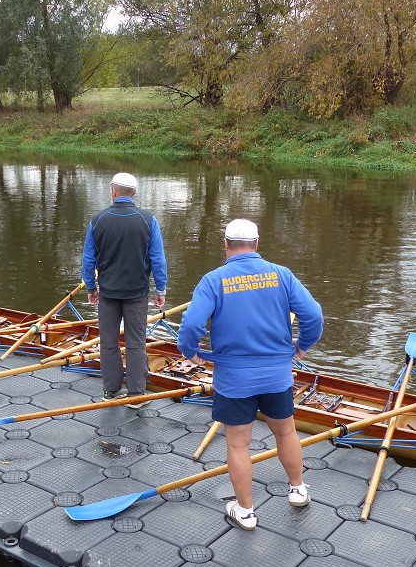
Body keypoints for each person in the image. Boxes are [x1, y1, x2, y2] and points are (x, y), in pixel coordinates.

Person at [177, 219, 324, 531]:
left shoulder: (213, 280)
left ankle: (245, 511)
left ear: (226, 244)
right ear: (257, 244)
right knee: (286, 432)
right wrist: (303, 345)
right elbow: (313, 315)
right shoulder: (281, 275)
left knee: (238, 444)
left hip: (234, 379)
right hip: (277, 375)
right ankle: (298, 489)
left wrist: (190, 351)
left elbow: (191, 325)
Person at [82, 172, 168, 407]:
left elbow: (88, 260)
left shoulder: (98, 220)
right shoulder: (148, 219)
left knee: (108, 342)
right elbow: (158, 259)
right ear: (134, 193)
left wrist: (91, 287)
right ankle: (136, 395)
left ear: (113, 191)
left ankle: (111, 392)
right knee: (136, 343)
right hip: (137, 293)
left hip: (108, 293)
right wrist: (160, 289)